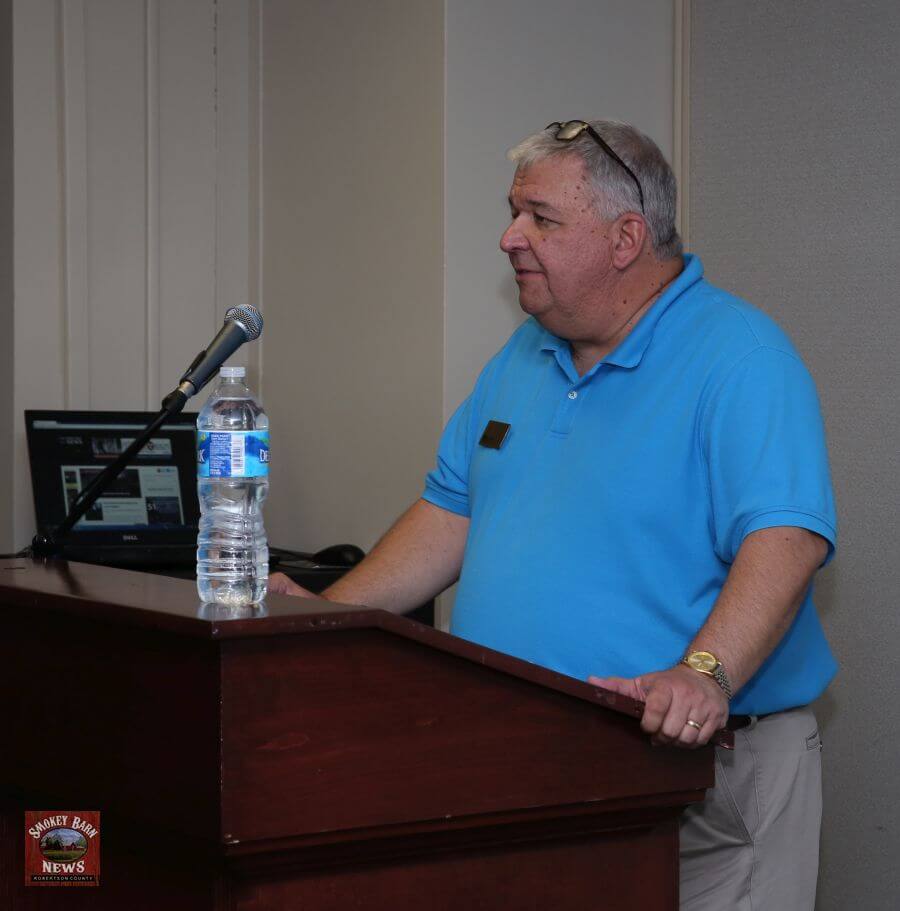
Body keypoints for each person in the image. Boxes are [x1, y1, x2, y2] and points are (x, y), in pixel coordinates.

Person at [270, 119, 837, 910]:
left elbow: (787, 538)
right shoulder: (525, 354)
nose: (510, 237)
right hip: (537, 770)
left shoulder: (741, 357)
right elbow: (452, 512)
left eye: (541, 218)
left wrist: (703, 672)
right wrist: (326, 619)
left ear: (625, 238)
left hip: (701, 777)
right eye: (513, 213)